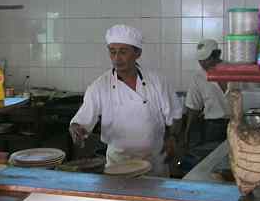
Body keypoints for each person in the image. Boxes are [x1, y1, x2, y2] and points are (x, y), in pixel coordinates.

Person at [69, 25, 182, 177]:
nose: (117, 58)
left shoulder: (157, 81)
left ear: (138, 53)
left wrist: (173, 137)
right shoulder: (100, 86)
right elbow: (82, 120)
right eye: (112, 51)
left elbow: (175, 115)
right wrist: (77, 129)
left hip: (155, 162)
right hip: (118, 165)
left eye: (123, 51)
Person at [183, 39, 229, 149]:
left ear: (217, 55)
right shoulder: (198, 77)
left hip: (237, 123)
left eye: (206, 59)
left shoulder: (234, 70)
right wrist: (187, 134)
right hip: (213, 128)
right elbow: (193, 107)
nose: (202, 63)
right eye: (200, 60)